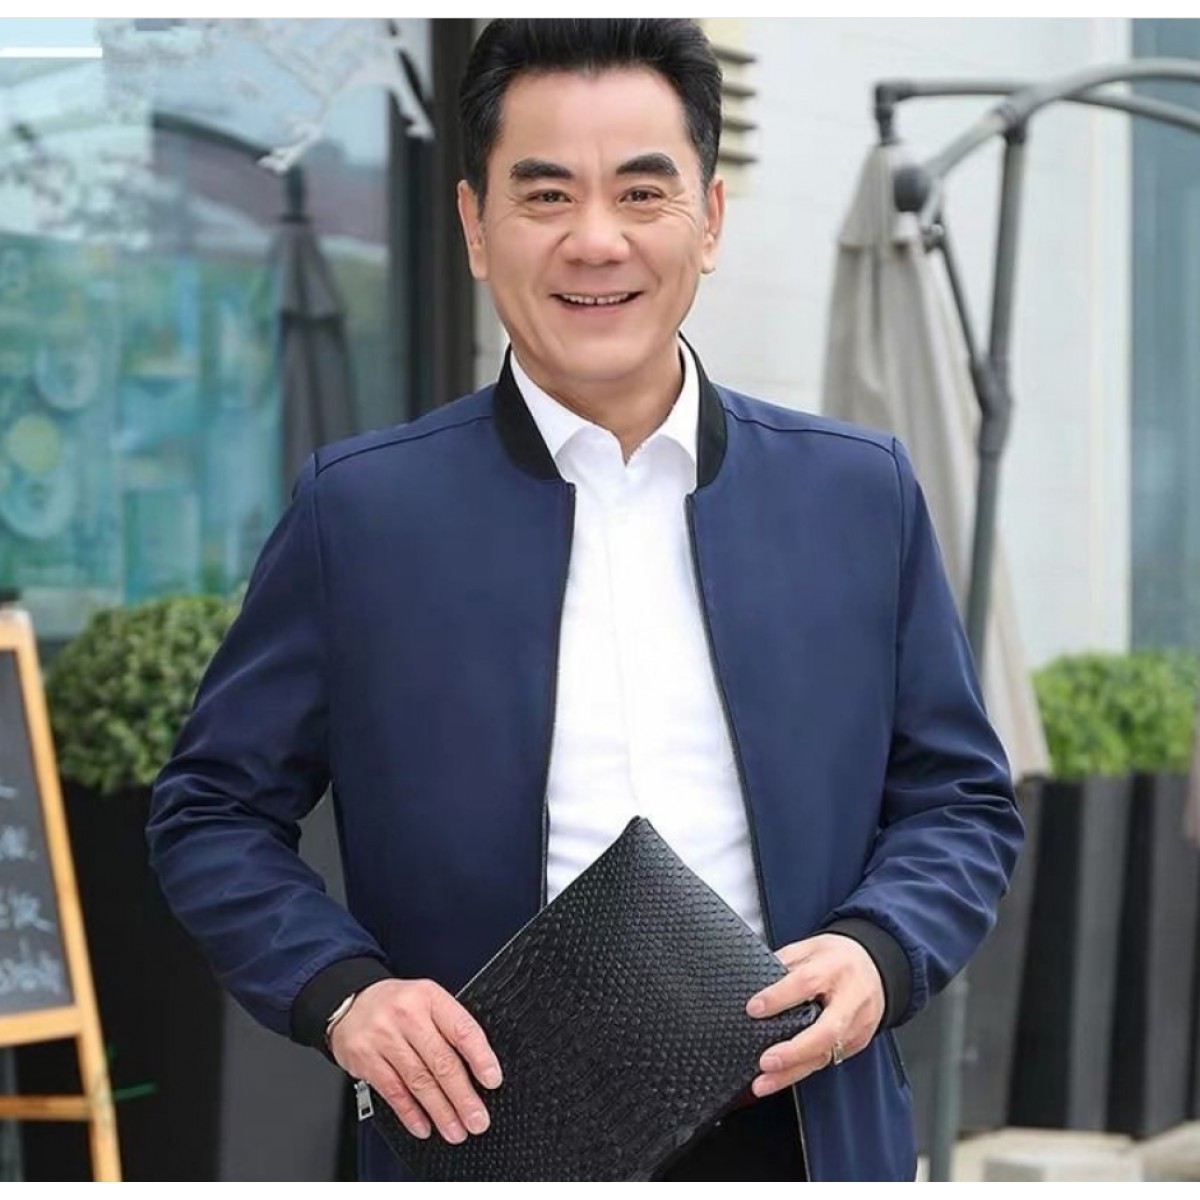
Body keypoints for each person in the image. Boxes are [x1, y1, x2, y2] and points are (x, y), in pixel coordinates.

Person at [148, 18, 1023, 1182]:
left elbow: (961, 798)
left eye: (642, 193)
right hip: (483, 1138)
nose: (596, 240)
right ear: (474, 226)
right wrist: (343, 992)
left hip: (806, 1128)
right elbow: (211, 808)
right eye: (546, 194)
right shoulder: (360, 513)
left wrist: (881, 948)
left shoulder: (858, 494)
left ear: (710, 220)